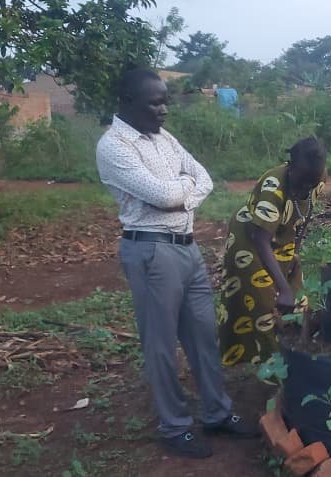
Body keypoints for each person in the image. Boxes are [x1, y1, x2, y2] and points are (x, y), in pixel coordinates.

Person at [96, 68, 257, 459]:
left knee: (203, 335)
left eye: (164, 99)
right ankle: (175, 426)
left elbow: (202, 178)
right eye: (155, 102)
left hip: (187, 248)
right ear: (129, 102)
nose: (164, 108)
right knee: (161, 345)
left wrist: (179, 191)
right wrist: (181, 191)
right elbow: (161, 195)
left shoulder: (164, 138)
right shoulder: (114, 145)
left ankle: (217, 412)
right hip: (152, 251)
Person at [218, 138, 327, 366]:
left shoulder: (315, 178)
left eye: (311, 184)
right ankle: (271, 368)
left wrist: (295, 254)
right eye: (302, 182)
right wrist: (282, 287)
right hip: (250, 240)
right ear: (291, 165)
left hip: (282, 237)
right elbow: (261, 239)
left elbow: (303, 217)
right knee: (263, 305)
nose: (305, 189)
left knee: (299, 300)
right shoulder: (273, 188)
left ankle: (297, 357)